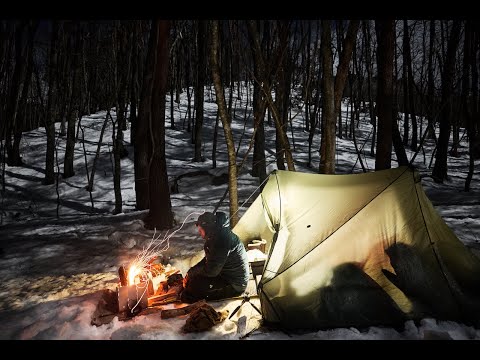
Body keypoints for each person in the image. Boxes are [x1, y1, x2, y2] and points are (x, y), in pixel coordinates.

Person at [180, 211, 250, 303]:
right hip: (225, 275)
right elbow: (209, 260)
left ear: (207, 228)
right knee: (193, 281)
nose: (199, 232)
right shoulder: (217, 235)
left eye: (201, 230)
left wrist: (193, 274)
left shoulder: (221, 240)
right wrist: (191, 272)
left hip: (235, 284)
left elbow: (212, 271)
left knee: (193, 289)